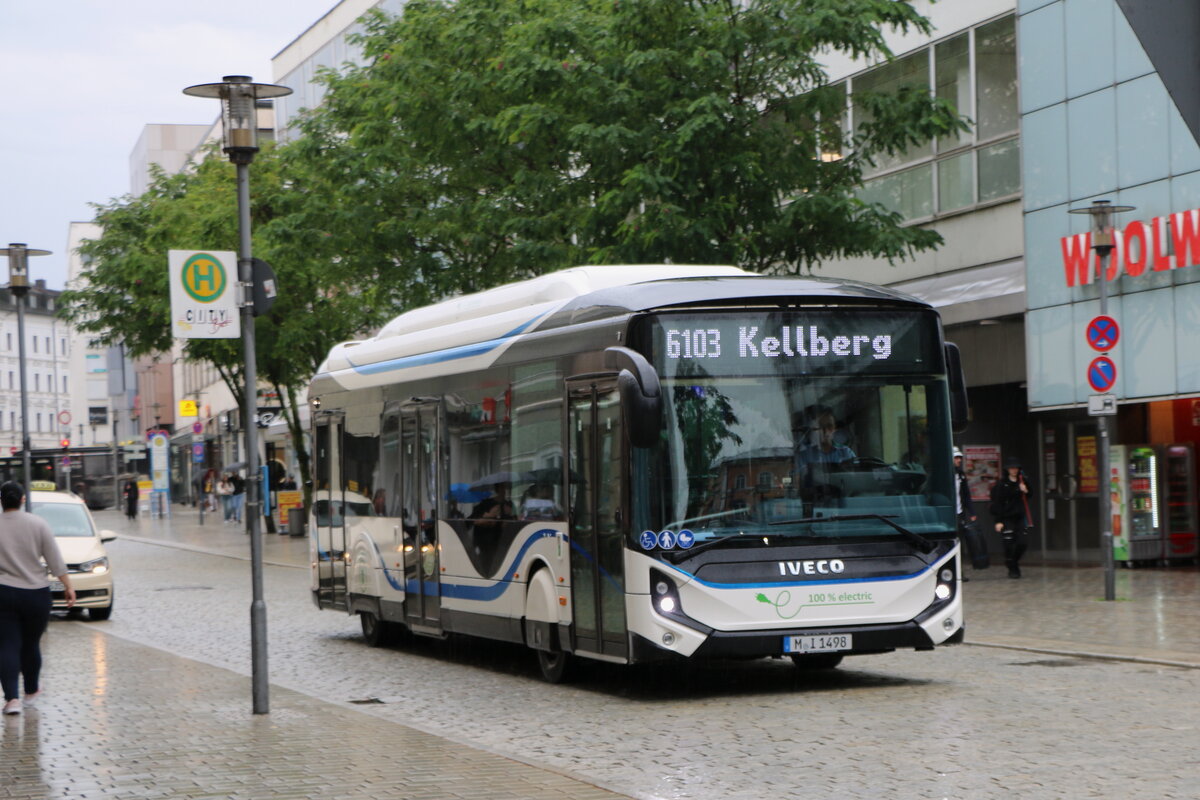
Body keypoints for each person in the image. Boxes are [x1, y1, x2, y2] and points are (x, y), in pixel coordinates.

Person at [0, 481, 76, 715]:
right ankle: (31, 691)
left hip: (3, 591)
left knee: (7, 645)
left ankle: (12, 699)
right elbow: (54, 559)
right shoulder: (38, 523)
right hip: (36, 593)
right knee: (31, 644)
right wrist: (68, 586)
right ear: (22, 500)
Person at [990, 456, 1033, 578]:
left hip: (1020, 517)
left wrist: (1025, 490)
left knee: (1023, 542)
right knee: (1008, 542)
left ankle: (1013, 561)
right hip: (1007, 517)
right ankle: (1012, 566)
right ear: (1007, 469)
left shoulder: (1023, 481)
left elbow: (1030, 494)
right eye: (1011, 468)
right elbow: (997, 502)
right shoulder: (1002, 484)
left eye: (1016, 468)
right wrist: (998, 521)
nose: (1014, 470)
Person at [954, 448, 988, 576]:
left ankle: (959, 572)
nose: (959, 460)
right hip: (948, 514)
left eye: (960, 458)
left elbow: (966, 495)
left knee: (960, 543)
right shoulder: (945, 474)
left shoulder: (961, 475)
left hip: (959, 513)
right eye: (956, 458)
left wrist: (972, 512)